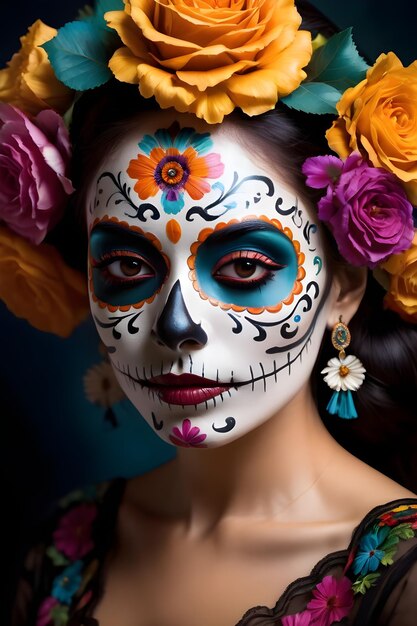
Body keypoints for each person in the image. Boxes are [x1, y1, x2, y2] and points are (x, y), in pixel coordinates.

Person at [3, 1, 417, 624]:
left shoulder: (406, 580)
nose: (176, 326)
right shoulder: (66, 547)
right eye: (127, 267)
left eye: (245, 267)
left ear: (345, 286)